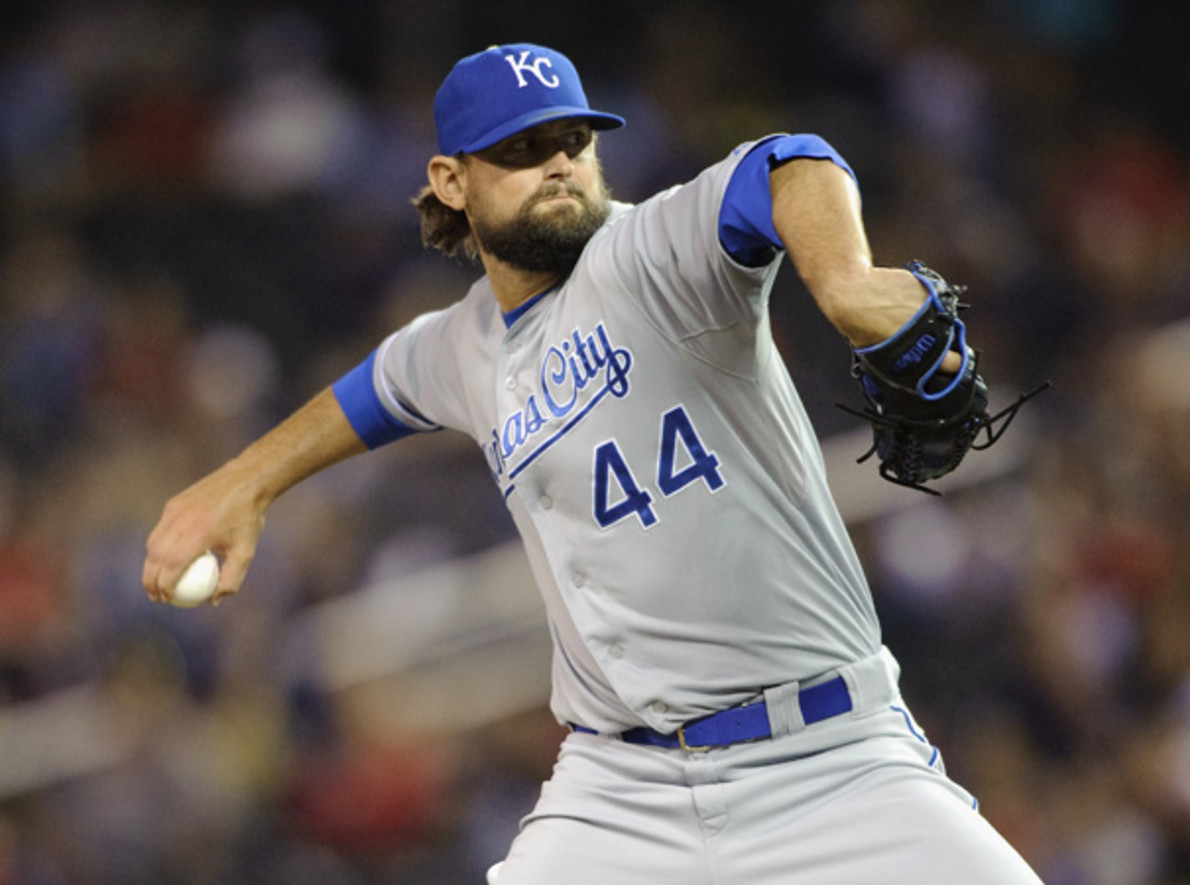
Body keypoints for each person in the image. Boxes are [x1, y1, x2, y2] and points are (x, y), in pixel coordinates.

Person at [143, 43, 1043, 884]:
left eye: (573, 139)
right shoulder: (462, 345)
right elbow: (374, 390)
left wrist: (843, 275)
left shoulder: (652, 250)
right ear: (452, 182)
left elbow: (786, 162)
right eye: (523, 148)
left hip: (830, 757)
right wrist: (239, 483)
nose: (561, 163)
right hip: (621, 791)